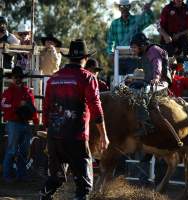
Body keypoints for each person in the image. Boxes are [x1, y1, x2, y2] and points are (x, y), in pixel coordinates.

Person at [39, 39, 109, 200]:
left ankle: (43, 196)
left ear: (69, 58)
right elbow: (96, 107)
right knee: (84, 185)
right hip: (76, 137)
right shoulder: (88, 78)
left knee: (55, 178)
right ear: (84, 59)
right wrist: (104, 135)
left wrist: (47, 129)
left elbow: (46, 106)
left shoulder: (53, 79)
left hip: (55, 137)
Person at [1, 66, 39, 183]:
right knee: (13, 150)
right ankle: (9, 175)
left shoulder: (27, 92)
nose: (17, 79)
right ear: (12, 78)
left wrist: (36, 121)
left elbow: (33, 109)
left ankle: (19, 175)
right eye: (15, 77)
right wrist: (18, 105)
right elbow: (2, 106)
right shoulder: (9, 92)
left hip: (23, 123)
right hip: (14, 123)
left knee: (23, 151)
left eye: (19, 77)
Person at [107, 0, 154, 75]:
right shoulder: (114, 24)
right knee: (119, 82)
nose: (124, 8)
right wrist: (110, 53)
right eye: (122, 6)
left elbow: (151, 20)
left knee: (132, 81)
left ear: (129, 7)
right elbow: (110, 41)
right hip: (119, 58)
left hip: (134, 58)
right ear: (119, 8)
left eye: (126, 6)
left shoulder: (137, 20)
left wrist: (148, 10)